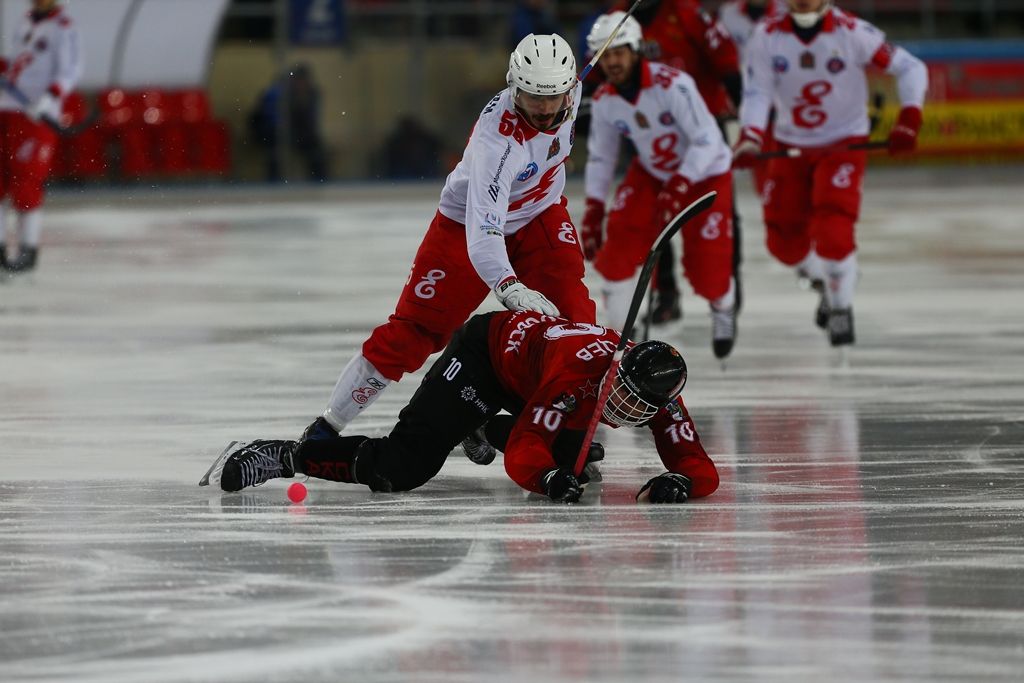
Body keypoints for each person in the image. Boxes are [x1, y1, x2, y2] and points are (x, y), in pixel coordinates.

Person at [300, 34, 595, 447]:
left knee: (577, 324)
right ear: (514, 87)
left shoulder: (574, 88)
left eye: (554, 98)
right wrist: (510, 288)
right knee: (415, 332)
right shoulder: (498, 146)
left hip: (540, 215)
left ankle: (563, 432)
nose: (545, 111)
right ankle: (327, 427)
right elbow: (484, 234)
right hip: (467, 227)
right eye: (532, 99)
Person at [208, 310, 719, 505]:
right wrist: (545, 480)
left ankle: (479, 428)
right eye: (622, 396)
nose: (627, 412)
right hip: (485, 358)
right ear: (617, 371)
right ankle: (283, 456)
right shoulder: (577, 376)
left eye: (641, 408)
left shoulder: (658, 396)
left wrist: (683, 482)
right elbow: (526, 452)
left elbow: (698, 465)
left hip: (531, 376)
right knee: (403, 468)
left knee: (577, 462)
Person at [732, 0, 927, 346]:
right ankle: (829, 278)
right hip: (791, 144)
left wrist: (910, 118)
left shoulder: (851, 31)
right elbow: (757, 91)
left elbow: (911, 67)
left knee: (834, 227)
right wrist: (750, 136)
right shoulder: (767, 36)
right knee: (783, 243)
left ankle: (841, 306)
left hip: (843, 144)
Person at [581, 12, 738, 360]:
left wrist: (681, 184)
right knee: (617, 249)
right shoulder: (606, 100)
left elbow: (709, 140)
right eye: (605, 55)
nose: (613, 61)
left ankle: (723, 307)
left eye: (619, 52)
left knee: (708, 270)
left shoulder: (674, 85)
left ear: (637, 50)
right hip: (652, 173)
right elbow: (601, 157)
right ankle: (622, 338)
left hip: (703, 176)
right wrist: (593, 207)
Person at [612, 0, 743, 326]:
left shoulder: (688, 14)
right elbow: (598, 69)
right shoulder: (615, 18)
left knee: (718, 210)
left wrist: (743, 115)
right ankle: (666, 290)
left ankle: (727, 277)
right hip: (646, 127)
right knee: (653, 211)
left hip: (700, 125)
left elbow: (726, 62)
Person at [0, 0, 82, 274]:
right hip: (6, 108)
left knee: (27, 181)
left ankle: (28, 250)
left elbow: (70, 70)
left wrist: (49, 99)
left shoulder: (63, 27)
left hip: (34, 114)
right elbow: (15, 62)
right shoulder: (24, 20)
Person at [249, 63, 328, 182]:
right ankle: (273, 183)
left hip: (299, 135)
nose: (301, 84)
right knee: (275, 153)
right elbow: (274, 121)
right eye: (299, 81)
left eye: (304, 81)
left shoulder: (311, 95)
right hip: (277, 134)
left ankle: (319, 181)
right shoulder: (280, 95)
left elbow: (310, 122)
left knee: (316, 151)